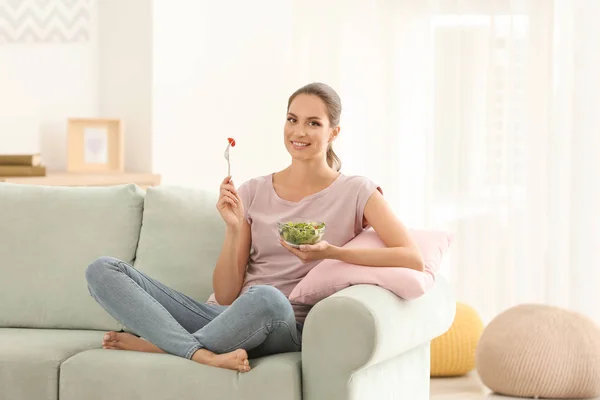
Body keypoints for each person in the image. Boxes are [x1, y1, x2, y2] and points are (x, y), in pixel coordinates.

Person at [85, 82, 424, 373]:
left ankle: (165, 346)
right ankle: (200, 353)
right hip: (226, 316)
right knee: (102, 269)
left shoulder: (356, 191)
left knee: (266, 297)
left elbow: (412, 258)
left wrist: (332, 253)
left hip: (284, 321)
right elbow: (229, 294)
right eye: (292, 120)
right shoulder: (253, 191)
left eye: (313, 123)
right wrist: (234, 228)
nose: (299, 132)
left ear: (333, 132)